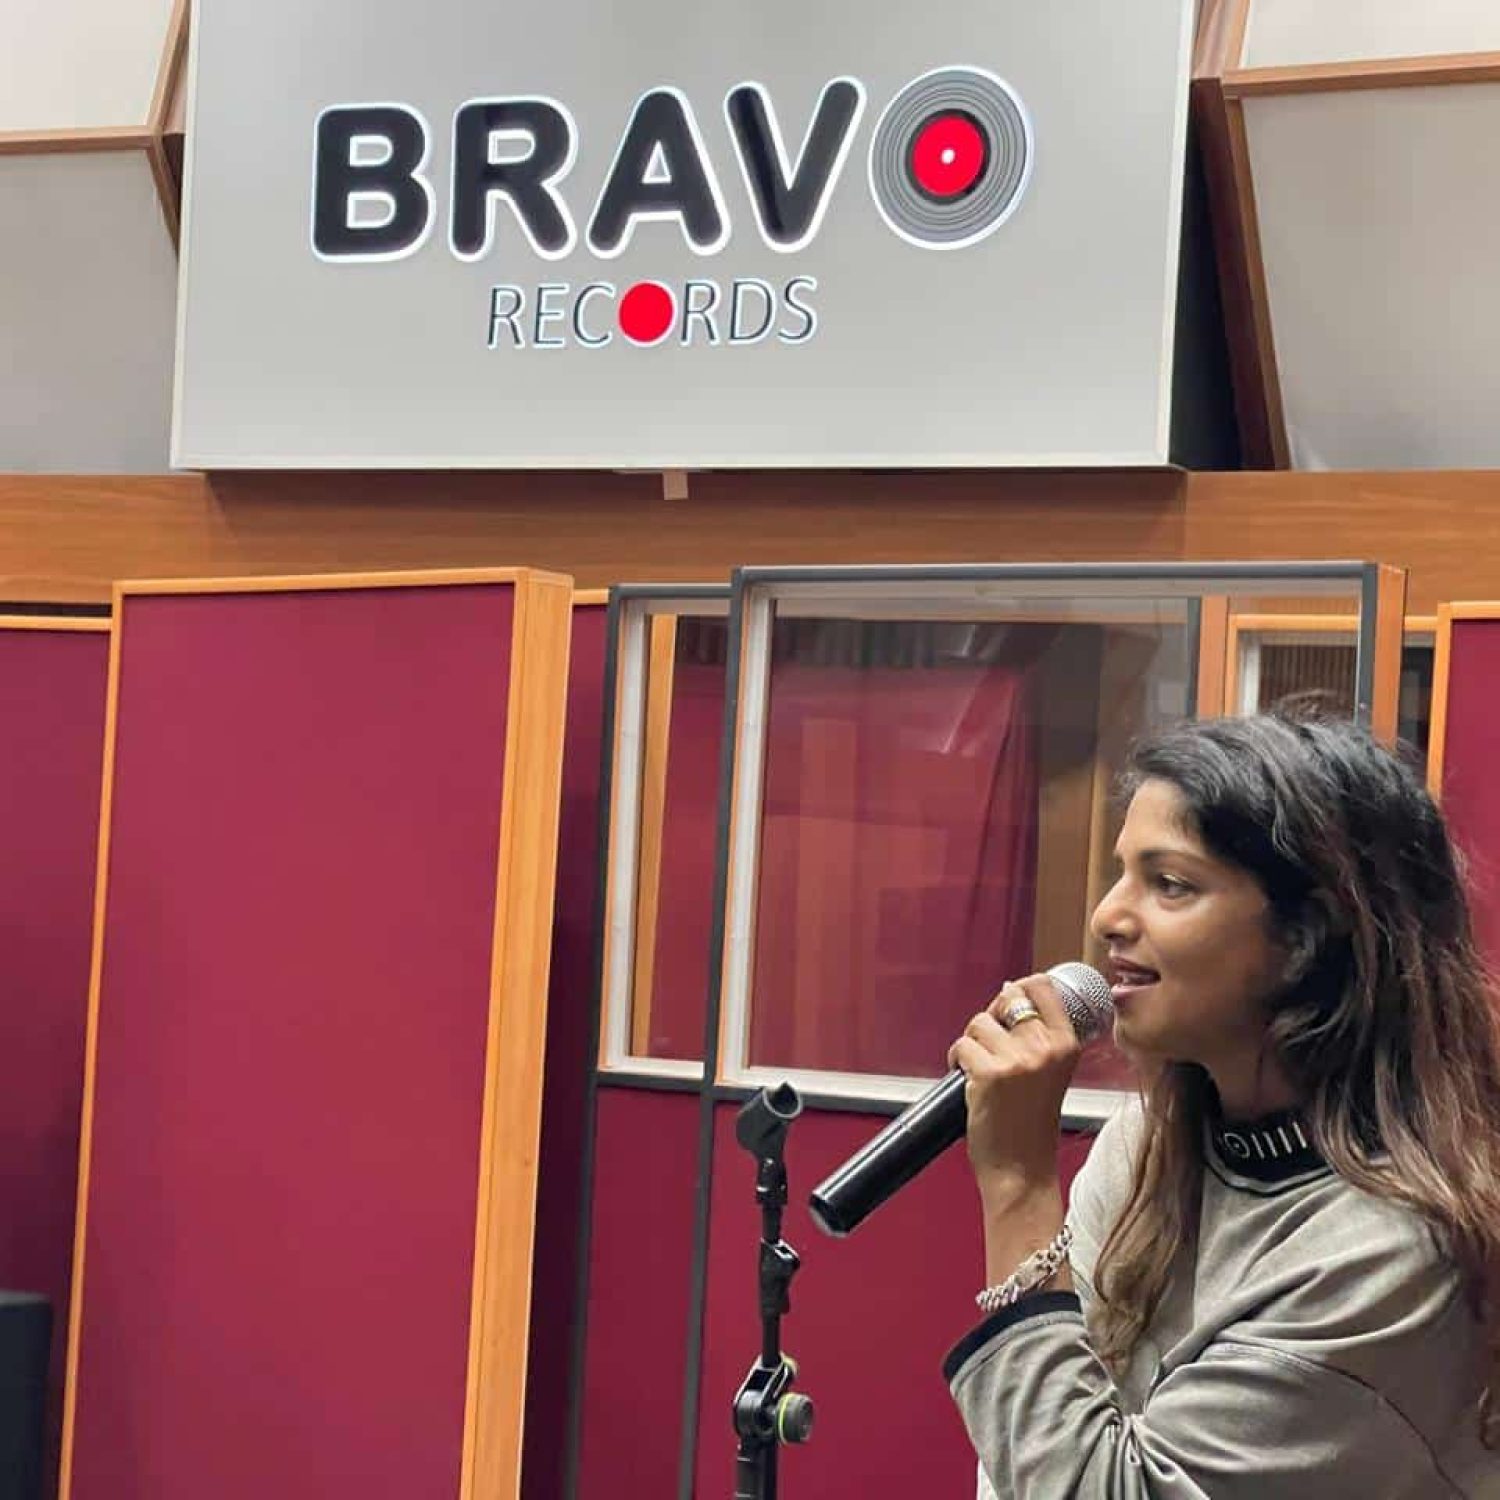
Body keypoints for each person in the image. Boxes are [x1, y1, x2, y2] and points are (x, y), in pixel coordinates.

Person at [945, 713, 1500, 1498]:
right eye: (1121, 872)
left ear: (1306, 934)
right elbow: (1034, 1442)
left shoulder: (1388, 1254)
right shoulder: (1143, 1146)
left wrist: (1017, 1186)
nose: (1108, 916)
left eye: (1170, 883)